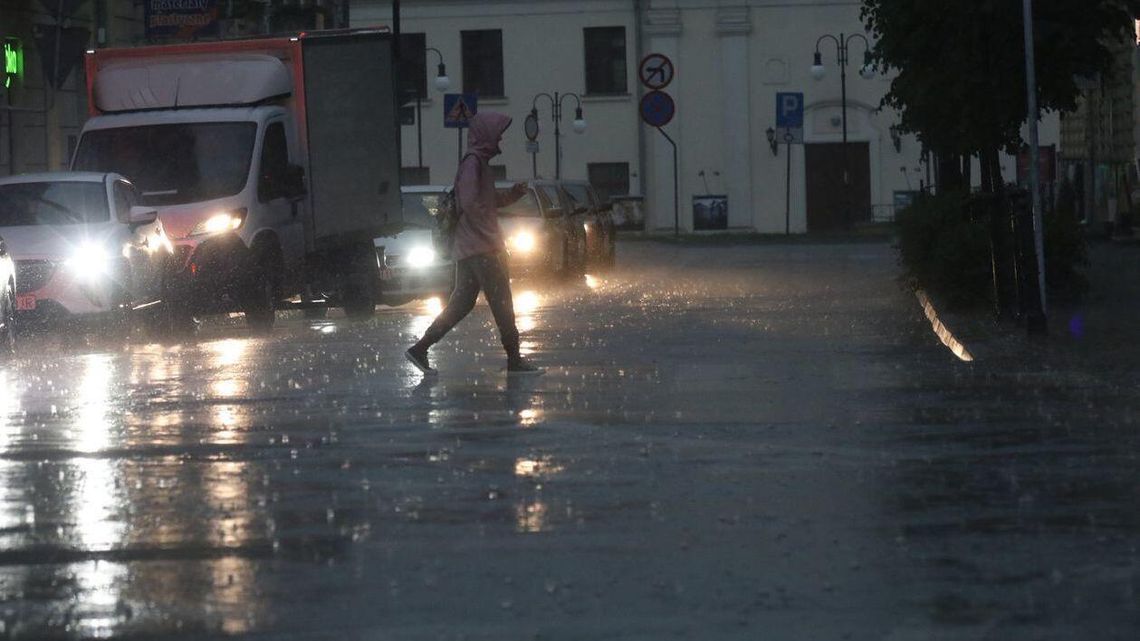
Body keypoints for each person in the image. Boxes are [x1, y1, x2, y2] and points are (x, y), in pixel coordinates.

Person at [405, 112, 542, 376]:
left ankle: (420, 348)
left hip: (470, 247)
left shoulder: (478, 163)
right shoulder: (473, 163)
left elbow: (485, 202)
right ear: (487, 135)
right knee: (502, 301)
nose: (501, 138)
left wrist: (512, 194)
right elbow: (470, 203)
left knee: (462, 303)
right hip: (482, 247)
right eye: (498, 133)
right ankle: (514, 359)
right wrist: (488, 232)